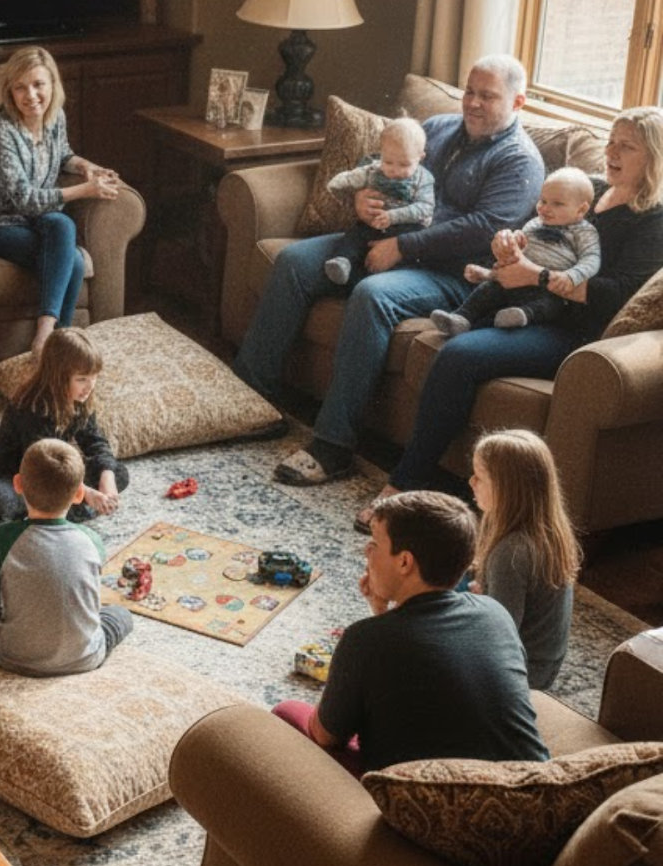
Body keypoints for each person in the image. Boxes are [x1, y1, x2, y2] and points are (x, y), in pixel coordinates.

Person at [232, 55, 544, 487]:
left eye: (487, 96)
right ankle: (249, 397)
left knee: (373, 295)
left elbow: (482, 230)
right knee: (294, 262)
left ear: (518, 101)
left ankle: (333, 445)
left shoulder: (519, 161)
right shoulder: (437, 129)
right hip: (384, 240)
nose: (472, 102)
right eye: (470, 91)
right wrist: (361, 197)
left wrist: (404, 245)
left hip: (455, 274)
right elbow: (377, 163)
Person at [368, 107, 663, 523]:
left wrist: (537, 275)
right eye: (611, 140)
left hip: (576, 333)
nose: (612, 151)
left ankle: (406, 482)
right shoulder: (591, 191)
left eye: (626, 146)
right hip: (531, 306)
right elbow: (543, 234)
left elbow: (615, 295)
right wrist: (511, 250)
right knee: (448, 335)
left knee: (460, 354)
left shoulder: (653, 220)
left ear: (651, 156)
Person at [271, 491, 548, 775]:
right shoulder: (495, 613)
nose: (367, 552)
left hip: (437, 805)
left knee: (288, 712)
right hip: (530, 789)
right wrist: (380, 610)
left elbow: (324, 736)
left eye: (375, 543)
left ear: (405, 562)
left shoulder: (364, 639)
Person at [0, 439, 135, 685]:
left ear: (17, 484)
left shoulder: (2, 538)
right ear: (80, 494)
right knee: (120, 615)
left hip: (14, 658)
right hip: (84, 658)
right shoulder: (93, 540)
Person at [0, 46, 122, 354]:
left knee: (61, 225)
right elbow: (25, 199)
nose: (30, 95)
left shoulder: (55, 116)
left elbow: (63, 155)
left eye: (38, 85)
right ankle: (53, 340)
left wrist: (86, 167)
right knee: (70, 258)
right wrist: (86, 190)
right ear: (10, 92)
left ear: (52, 85)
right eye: (20, 87)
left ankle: (50, 342)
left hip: (35, 219)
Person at [467, 430, 580, 690]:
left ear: (507, 489)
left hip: (521, 674)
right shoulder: (549, 532)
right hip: (545, 664)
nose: (471, 481)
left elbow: (498, 637)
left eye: (480, 477)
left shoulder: (511, 553)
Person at [432, 167, 600, 334]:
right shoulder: (534, 223)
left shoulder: (584, 232)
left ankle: (520, 316)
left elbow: (592, 259)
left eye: (557, 204)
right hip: (513, 281)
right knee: (488, 289)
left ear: (581, 210)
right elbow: (518, 258)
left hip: (545, 288)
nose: (545, 208)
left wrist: (573, 275)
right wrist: (515, 245)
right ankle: (461, 318)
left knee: (549, 304)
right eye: (543, 201)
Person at [0, 328, 125, 522]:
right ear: (58, 376)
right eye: (81, 379)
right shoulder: (31, 406)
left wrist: (106, 475)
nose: (90, 386)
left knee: (119, 473)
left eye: (94, 377)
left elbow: (96, 442)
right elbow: (44, 465)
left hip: (57, 470)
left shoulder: (81, 399)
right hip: (22, 475)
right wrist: (86, 492)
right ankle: (64, 508)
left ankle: (62, 507)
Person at [322, 117, 436, 288]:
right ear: (381, 153)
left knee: (411, 245)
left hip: (405, 229)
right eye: (388, 162)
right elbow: (355, 176)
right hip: (373, 224)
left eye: (404, 164)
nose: (395, 171)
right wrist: (337, 183)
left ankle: (377, 278)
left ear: (420, 157)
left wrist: (393, 216)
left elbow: (425, 208)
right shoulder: (374, 169)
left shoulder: (424, 179)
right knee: (355, 235)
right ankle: (342, 262)